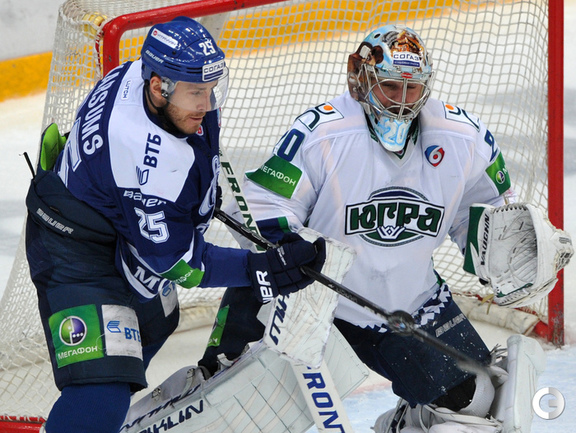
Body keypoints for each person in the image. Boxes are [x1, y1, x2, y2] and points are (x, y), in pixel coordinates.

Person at [197, 24, 523, 432]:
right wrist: (291, 247)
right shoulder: (323, 132)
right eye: (390, 87)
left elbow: (486, 212)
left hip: (408, 302)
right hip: (311, 300)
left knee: (475, 399)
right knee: (231, 407)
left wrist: (508, 249)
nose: (402, 102)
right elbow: (266, 204)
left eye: (412, 89)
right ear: (361, 80)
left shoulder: (463, 137)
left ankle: (404, 424)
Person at [24, 17, 325, 433]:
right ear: (158, 87)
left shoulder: (140, 76)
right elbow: (179, 264)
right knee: (101, 391)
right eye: (195, 92)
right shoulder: (146, 161)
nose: (206, 103)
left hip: (113, 221)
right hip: (74, 249)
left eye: (210, 88)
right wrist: (262, 269)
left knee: (153, 325)